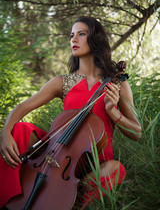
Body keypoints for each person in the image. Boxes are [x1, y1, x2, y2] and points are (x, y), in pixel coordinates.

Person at [0, 16, 142, 209]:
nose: (73, 40)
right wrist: (5, 131)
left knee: (117, 169)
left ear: (95, 39)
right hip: (60, 153)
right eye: (71, 35)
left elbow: (136, 132)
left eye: (81, 34)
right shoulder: (63, 81)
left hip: (96, 163)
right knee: (21, 129)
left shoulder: (118, 82)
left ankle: (75, 202)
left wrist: (113, 112)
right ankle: (7, 197)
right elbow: (22, 108)